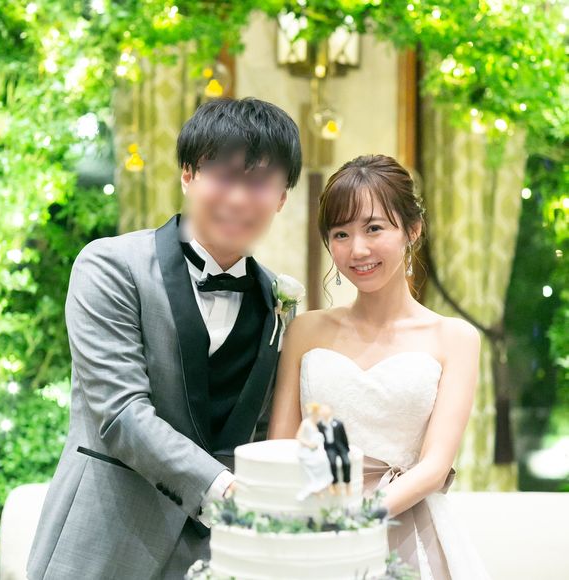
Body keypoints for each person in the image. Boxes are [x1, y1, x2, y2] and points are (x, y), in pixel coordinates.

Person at [27, 97, 302, 580]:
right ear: (188, 175)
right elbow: (120, 413)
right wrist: (226, 491)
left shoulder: (279, 299)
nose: (239, 198)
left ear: (281, 197)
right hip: (106, 542)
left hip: (219, 558)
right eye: (223, 175)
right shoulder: (110, 266)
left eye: (259, 181)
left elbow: (260, 430)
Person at [268, 154, 491, 580]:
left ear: (412, 229)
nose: (358, 250)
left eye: (374, 228)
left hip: (408, 530)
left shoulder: (455, 338)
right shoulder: (304, 331)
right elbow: (280, 447)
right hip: (313, 528)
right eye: (341, 233)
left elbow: (435, 466)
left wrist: (354, 521)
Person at [295, 402, 333, 500]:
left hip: (318, 449)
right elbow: (299, 437)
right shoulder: (306, 423)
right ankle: (316, 488)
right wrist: (309, 444)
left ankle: (327, 485)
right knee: (319, 462)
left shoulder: (319, 423)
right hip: (307, 449)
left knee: (326, 460)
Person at [317, 403, 351, 495]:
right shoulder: (320, 425)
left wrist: (347, 449)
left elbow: (344, 437)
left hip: (340, 447)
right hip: (329, 447)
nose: (324, 412)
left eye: (326, 410)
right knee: (332, 463)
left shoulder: (338, 424)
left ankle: (347, 484)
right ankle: (335, 484)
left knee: (347, 463)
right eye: (322, 410)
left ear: (331, 411)